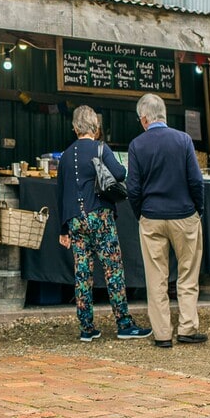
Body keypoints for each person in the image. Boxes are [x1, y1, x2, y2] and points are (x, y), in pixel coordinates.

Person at [56, 106, 152, 342]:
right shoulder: (100, 148)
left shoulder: (66, 155)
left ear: (75, 128)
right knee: (113, 270)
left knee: (82, 274)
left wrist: (63, 229)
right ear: (96, 128)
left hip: (75, 221)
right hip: (100, 216)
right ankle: (124, 324)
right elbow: (119, 173)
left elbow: (60, 193)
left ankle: (86, 328)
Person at [127, 93, 208, 349]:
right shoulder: (182, 140)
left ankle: (162, 334)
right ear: (163, 114)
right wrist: (199, 209)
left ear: (144, 119)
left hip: (151, 217)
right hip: (184, 215)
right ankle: (187, 328)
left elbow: (133, 188)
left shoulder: (137, 145)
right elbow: (196, 180)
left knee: (156, 278)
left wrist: (140, 212)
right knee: (187, 274)